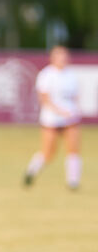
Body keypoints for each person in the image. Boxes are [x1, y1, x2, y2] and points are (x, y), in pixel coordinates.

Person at [23, 45, 82, 191]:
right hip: (51, 119)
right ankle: (32, 171)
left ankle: (73, 181)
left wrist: (73, 111)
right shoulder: (46, 75)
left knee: (73, 148)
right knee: (48, 152)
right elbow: (44, 99)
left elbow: (74, 97)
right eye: (59, 56)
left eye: (65, 55)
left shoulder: (71, 75)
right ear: (53, 58)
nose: (63, 59)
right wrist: (61, 112)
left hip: (70, 119)